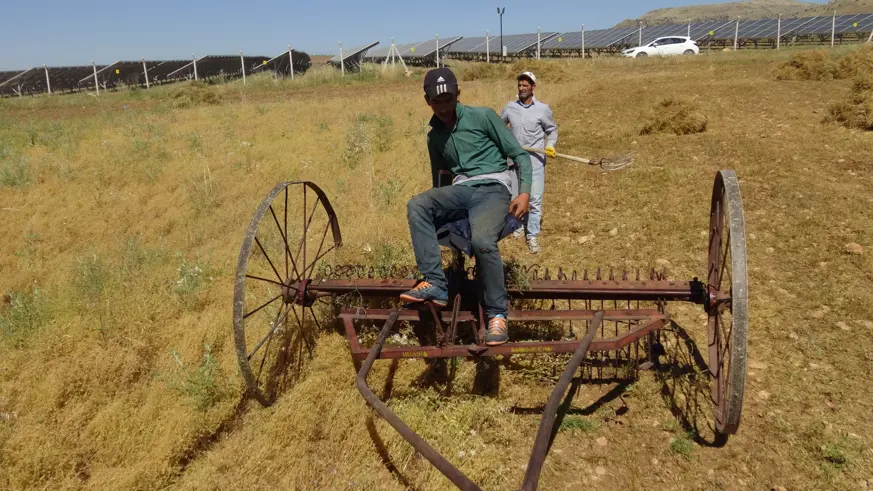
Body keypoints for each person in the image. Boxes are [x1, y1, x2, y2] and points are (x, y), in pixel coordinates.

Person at [400, 67, 533, 347]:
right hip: (461, 190)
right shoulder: (434, 136)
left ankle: (497, 314)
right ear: (427, 101)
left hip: (493, 188)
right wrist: (438, 207)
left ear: (458, 94)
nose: (443, 107)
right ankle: (436, 283)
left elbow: (519, 155)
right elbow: (440, 179)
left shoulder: (483, 116)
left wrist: (524, 193)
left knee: (483, 241)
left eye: (448, 99)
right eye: (436, 101)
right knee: (418, 204)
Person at [501, 71, 558, 254]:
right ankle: (517, 226)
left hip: (535, 162)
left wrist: (550, 145)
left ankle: (532, 235)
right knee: (515, 196)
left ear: (533, 87)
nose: (522, 88)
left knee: (534, 199)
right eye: (519, 85)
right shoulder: (510, 107)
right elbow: (499, 128)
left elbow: (552, 130)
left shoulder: (543, 109)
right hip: (515, 161)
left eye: (525, 85)